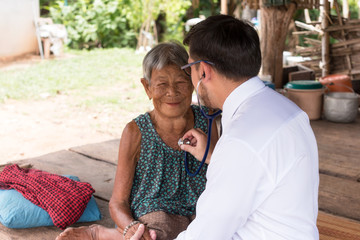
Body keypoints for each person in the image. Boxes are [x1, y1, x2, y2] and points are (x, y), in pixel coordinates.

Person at [132, 14, 320, 240]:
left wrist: (225, 154)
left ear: (203, 72)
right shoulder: (288, 110)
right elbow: (261, 171)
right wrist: (214, 155)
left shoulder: (241, 140)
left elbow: (206, 234)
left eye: (189, 68)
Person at [56, 41, 218, 240]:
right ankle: (105, 233)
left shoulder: (206, 121)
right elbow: (117, 202)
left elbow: (219, 172)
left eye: (181, 83)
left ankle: (107, 235)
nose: (172, 92)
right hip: (155, 215)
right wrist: (130, 226)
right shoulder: (136, 131)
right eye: (161, 84)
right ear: (147, 87)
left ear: (192, 83)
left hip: (198, 212)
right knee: (157, 234)